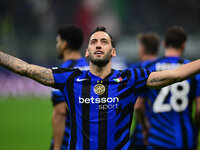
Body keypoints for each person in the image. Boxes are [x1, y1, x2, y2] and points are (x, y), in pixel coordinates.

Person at [0, 26, 200, 150]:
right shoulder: (70, 78)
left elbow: (177, 74)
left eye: (104, 41)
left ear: (112, 51)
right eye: (93, 41)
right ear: (86, 52)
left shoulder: (130, 79)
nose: (98, 45)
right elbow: (26, 69)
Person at [137, 26, 200, 150]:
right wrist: (196, 131)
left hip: (156, 138)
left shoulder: (148, 67)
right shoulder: (193, 70)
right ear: (183, 45)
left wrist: (145, 128)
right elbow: (199, 109)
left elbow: (138, 106)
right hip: (184, 139)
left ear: (164, 44)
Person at [50, 25, 88, 150]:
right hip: (87, 139)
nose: (57, 46)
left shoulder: (60, 73)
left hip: (67, 140)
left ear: (64, 44)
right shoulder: (90, 68)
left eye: (58, 42)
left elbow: (60, 112)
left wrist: (56, 147)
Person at [130, 32, 160, 150]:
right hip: (163, 130)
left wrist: (143, 126)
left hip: (142, 130)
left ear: (142, 48)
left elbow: (138, 106)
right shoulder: (161, 68)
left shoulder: (136, 69)